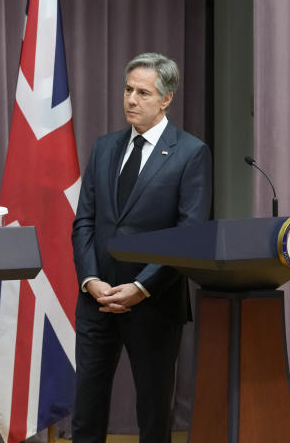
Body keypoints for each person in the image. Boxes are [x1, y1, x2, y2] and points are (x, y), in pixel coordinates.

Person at [70, 52, 212, 443]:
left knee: (152, 415)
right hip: (97, 299)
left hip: (153, 302)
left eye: (143, 93)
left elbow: (189, 234)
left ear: (166, 99)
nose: (131, 99)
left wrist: (141, 287)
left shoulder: (190, 153)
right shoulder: (104, 148)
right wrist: (90, 280)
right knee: (86, 411)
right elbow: (84, 221)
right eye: (128, 89)